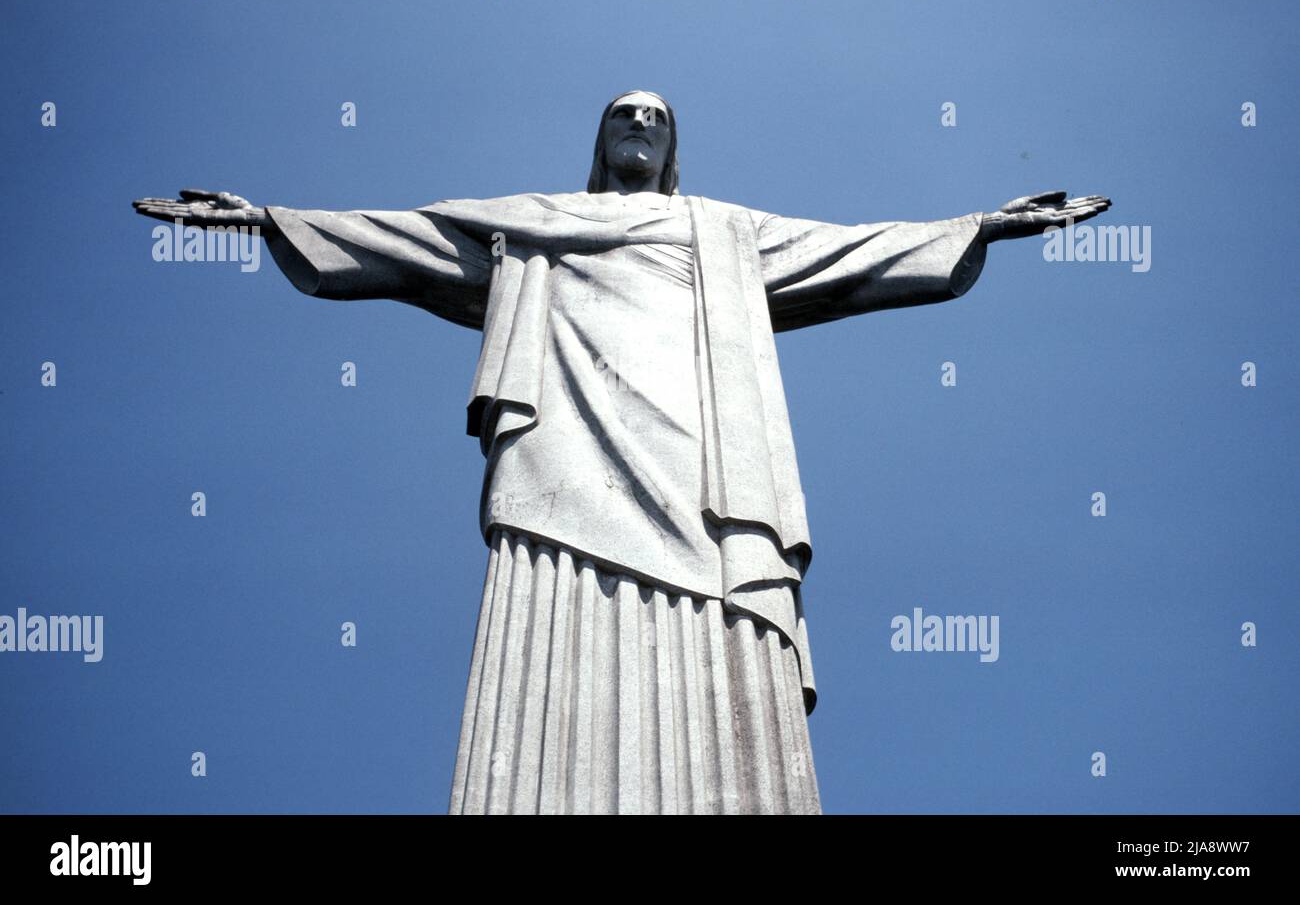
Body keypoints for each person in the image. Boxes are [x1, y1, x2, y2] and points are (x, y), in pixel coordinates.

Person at [134, 90, 1109, 814]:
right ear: (601, 140)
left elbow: (848, 252)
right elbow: (407, 240)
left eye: (655, 115)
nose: (638, 123)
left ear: (672, 144)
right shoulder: (534, 226)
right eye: (621, 113)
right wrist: (269, 218)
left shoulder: (721, 231)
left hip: (705, 466)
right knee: (548, 631)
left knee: (723, 639)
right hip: (564, 452)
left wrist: (974, 225)